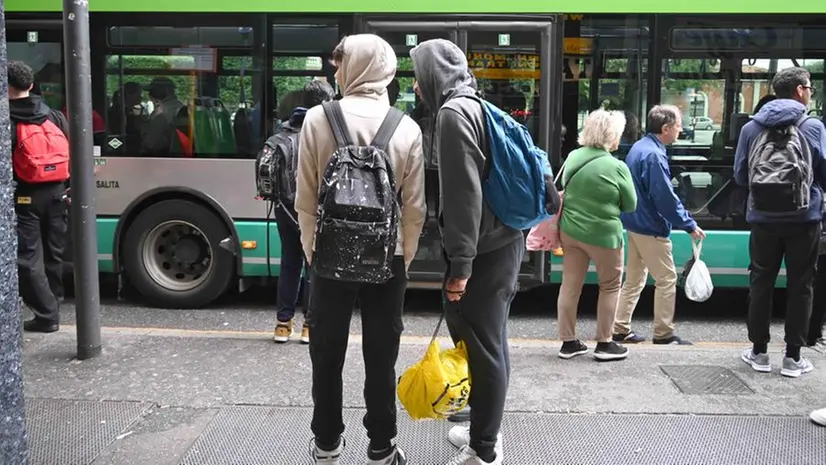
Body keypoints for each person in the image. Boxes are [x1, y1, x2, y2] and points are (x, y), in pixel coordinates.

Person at [295, 34, 425, 465]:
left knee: (326, 355)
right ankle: (382, 447)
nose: (335, 70)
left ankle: (327, 444)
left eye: (340, 62)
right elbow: (414, 208)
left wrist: (314, 252)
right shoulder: (406, 126)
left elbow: (306, 197)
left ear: (355, 67)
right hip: (387, 260)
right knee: (380, 358)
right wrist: (402, 255)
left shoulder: (317, 119)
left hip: (329, 258)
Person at [410, 38, 524, 465]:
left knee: (484, 348)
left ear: (433, 75)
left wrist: (460, 266)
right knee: (490, 342)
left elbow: (463, 197)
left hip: (484, 252)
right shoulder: (478, 105)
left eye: (420, 77)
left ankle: (484, 451)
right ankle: (482, 433)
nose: (418, 87)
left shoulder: (453, 115)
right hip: (503, 242)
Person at [734, 67, 826, 378]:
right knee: (802, 286)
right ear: (800, 90)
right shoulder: (813, 126)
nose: (810, 92)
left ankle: (759, 353)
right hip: (805, 219)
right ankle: (793, 358)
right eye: (810, 87)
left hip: (763, 218)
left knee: (761, 283)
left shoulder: (751, 128)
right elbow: (823, 174)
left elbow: (740, 176)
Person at [615, 104, 705, 346]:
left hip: (634, 223)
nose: (681, 129)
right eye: (678, 125)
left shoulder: (639, 147)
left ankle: (620, 328)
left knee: (633, 280)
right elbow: (664, 197)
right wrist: (689, 224)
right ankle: (663, 333)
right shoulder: (654, 155)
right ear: (665, 128)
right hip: (651, 227)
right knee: (666, 280)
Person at [556, 109, 638, 361]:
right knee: (610, 286)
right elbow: (631, 204)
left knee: (570, 286)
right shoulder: (617, 166)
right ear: (611, 136)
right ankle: (604, 344)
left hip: (570, 232)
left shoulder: (573, 156)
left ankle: (568, 343)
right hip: (604, 237)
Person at [270, 80, 336, 344]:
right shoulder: (326, 131)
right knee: (314, 265)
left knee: (289, 262)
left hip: (284, 207)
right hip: (314, 209)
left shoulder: (284, 128)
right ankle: (310, 325)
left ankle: (282, 325)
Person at [8, 61, 70, 333]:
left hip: (26, 196)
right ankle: (54, 302)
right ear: (31, 85)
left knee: (28, 257)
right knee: (54, 253)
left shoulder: (7, 120)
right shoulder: (54, 116)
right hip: (58, 193)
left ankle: (47, 315)